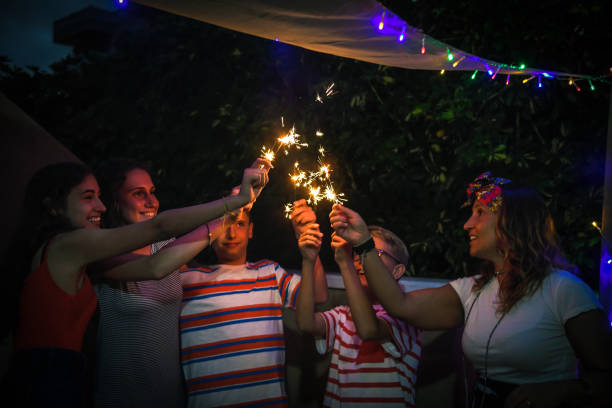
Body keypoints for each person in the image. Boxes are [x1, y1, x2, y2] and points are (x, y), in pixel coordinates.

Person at [329, 172, 612, 408]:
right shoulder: (470, 291)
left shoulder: (564, 290)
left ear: (513, 221)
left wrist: (559, 391)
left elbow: (605, 377)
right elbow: (400, 304)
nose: (467, 224)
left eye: (480, 213)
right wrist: (364, 243)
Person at [8, 160, 268, 408]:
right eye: (88, 197)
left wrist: (228, 215)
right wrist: (234, 201)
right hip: (51, 382)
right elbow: (160, 227)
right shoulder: (67, 245)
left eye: (98, 196)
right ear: (53, 206)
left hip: (75, 379)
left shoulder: (83, 255)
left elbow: (153, 267)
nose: (100, 206)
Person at [91, 158, 269, 408]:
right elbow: (156, 264)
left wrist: (237, 205)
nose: (151, 202)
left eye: (152, 192)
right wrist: (231, 206)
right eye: (138, 193)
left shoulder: (167, 248)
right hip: (120, 398)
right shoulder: (100, 252)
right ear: (115, 202)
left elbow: (204, 271)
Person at [179, 199, 328, 407]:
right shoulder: (187, 280)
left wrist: (307, 241)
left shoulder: (269, 272)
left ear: (250, 230)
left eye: (239, 224)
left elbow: (318, 297)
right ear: (209, 231)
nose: (231, 234)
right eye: (223, 225)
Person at [296, 214, 422, 407]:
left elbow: (370, 329)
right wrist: (308, 260)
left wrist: (345, 263)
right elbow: (306, 323)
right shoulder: (344, 314)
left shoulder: (407, 315)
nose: (361, 261)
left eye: (373, 254)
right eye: (358, 253)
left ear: (397, 271)